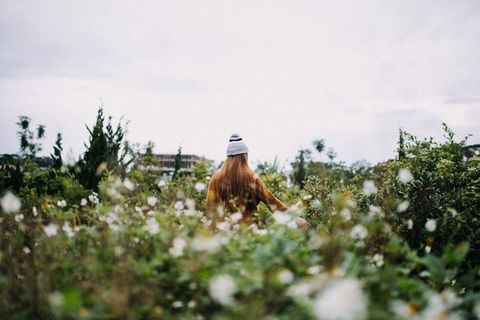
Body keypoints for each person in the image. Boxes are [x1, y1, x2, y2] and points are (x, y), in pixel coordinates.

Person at [205, 134, 311, 230]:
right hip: (250, 234)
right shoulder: (252, 178)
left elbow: (210, 209)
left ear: (228, 158)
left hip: (226, 236)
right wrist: (294, 217)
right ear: (244, 156)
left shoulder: (216, 179)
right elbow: (272, 202)